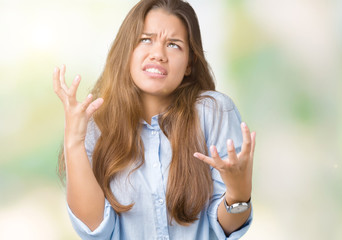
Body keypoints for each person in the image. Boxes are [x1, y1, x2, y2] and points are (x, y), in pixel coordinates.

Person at [52, 0, 256, 239]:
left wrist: (238, 193)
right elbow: (95, 230)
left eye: (173, 45)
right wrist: (74, 142)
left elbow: (226, 229)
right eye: (146, 39)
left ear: (189, 63)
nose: (158, 54)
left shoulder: (214, 111)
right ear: (127, 50)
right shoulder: (95, 124)